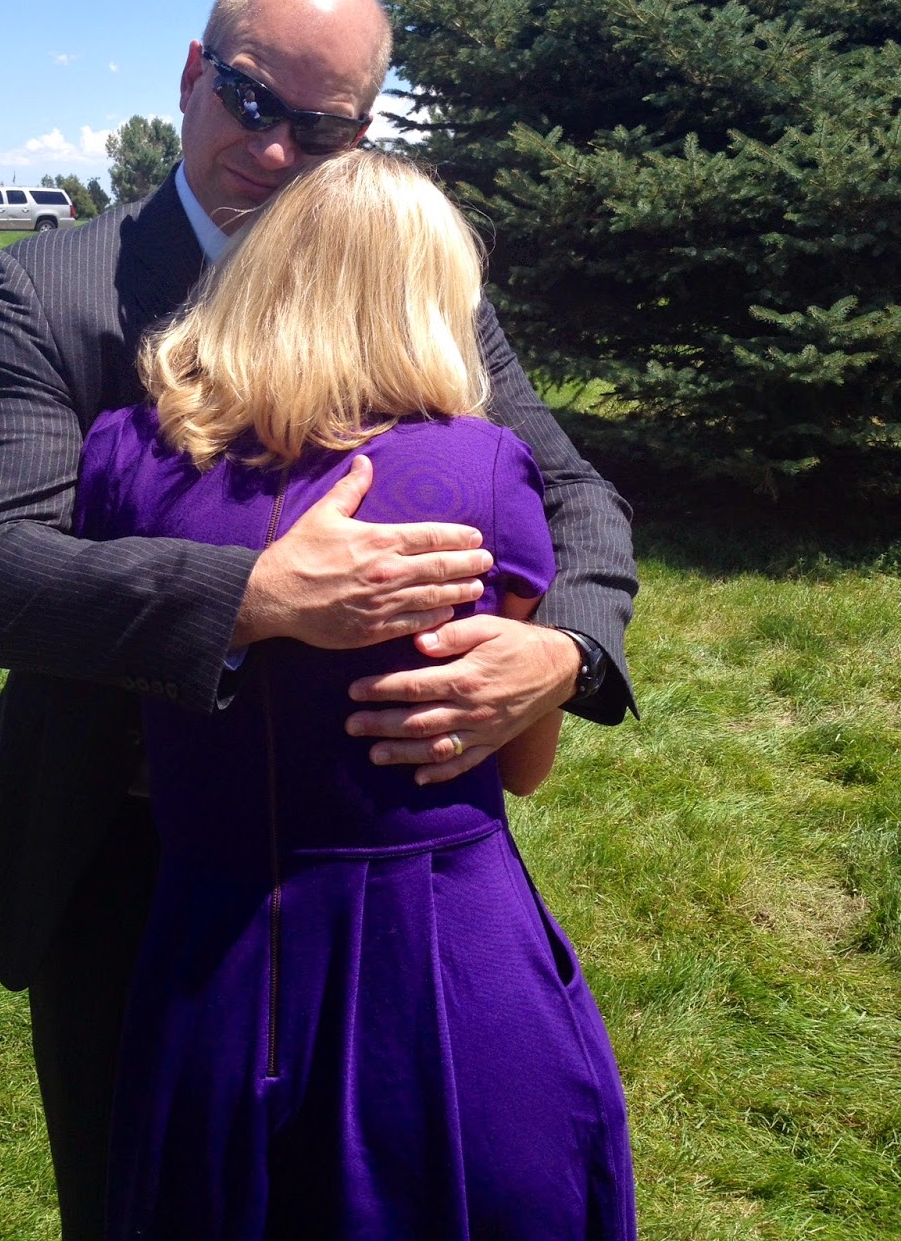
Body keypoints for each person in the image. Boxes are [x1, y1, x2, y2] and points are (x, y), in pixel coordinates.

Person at [0, 0, 638, 1238]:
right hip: (126, 852)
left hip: (374, 870)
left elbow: (576, 494)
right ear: (191, 74)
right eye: (251, 101)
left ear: (361, 133)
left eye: (322, 129)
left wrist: (565, 656)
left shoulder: (407, 282)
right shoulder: (57, 288)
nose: (274, 152)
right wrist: (249, 592)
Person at [79, 150, 635, 1239]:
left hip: (210, 955)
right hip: (438, 963)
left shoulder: (124, 458)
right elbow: (521, 764)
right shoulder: (484, 471)